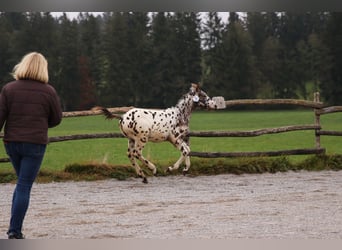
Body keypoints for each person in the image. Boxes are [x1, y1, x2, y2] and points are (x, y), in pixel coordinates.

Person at [0, 52, 63, 239]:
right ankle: (14, 231)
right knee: (24, 185)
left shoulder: (8, 89)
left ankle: (14, 227)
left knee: (21, 184)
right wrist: (42, 125)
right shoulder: (49, 91)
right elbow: (57, 118)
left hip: (12, 142)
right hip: (35, 144)